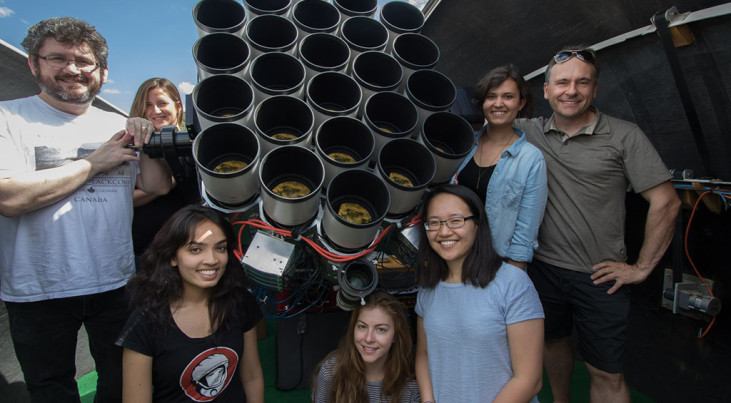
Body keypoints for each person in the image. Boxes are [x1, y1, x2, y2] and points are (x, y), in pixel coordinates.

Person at [0, 17, 172, 402]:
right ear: (34, 64)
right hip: (37, 287)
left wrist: (147, 143)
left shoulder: (118, 125)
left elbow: (157, 186)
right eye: (57, 58)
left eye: (84, 61)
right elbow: (8, 198)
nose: (72, 70)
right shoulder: (8, 118)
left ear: (103, 72)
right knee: (51, 388)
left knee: (117, 380)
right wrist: (93, 164)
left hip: (114, 282)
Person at [514, 46, 681, 403]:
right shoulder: (527, 132)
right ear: (546, 90)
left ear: (595, 89)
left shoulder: (624, 136)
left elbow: (666, 201)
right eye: (561, 83)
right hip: (543, 270)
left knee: (606, 372)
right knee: (553, 344)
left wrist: (641, 268)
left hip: (600, 277)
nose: (571, 90)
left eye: (581, 82)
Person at [117, 205, 264, 402]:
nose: (212, 260)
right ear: (172, 257)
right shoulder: (145, 322)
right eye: (196, 250)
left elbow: (252, 377)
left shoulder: (240, 303)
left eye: (220, 248)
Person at [414, 184, 544, 403]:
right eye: (434, 223)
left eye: (456, 220)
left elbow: (529, 379)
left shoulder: (512, 283)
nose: (444, 231)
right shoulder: (429, 287)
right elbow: (424, 355)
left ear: (477, 224)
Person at [452, 65, 547, 269]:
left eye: (507, 97)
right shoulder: (465, 145)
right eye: (491, 96)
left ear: (521, 103)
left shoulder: (530, 159)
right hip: (452, 258)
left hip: (495, 264)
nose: (498, 104)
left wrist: (513, 275)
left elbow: (526, 230)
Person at [129, 78, 200, 265]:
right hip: (143, 250)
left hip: (187, 250)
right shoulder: (132, 148)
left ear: (178, 107)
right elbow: (122, 198)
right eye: (148, 106)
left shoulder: (195, 147)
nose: (156, 111)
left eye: (162, 103)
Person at [312, 291, 420, 403]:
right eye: (362, 327)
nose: (369, 339)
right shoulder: (331, 371)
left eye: (381, 329)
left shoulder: (410, 386)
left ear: (395, 336)